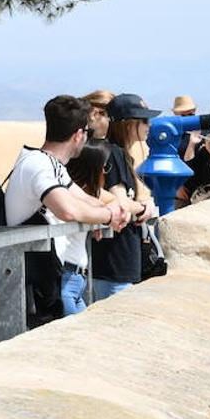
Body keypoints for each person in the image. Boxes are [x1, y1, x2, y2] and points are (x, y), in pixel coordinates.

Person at [4, 95, 128, 326]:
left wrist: (107, 211)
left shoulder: (53, 166)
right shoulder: (38, 166)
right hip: (43, 286)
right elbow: (68, 210)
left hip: (60, 280)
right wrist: (109, 217)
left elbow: (87, 201)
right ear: (78, 135)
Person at [90, 93, 159, 296]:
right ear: (129, 124)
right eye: (144, 120)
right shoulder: (114, 153)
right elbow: (120, 202)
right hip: (114, 263)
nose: (149, 126)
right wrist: (145, 208)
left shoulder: (117, 153)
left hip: (119, 263)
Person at [62, 140, 115, 315]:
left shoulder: (85, 196)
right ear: (93, 169)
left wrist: (95, 218)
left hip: (76, 281)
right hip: (67, 281)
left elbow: (118, 204)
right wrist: (97, 216)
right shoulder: (70, 195)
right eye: (104, 167)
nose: (105, 173)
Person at [171, 94, 210, 206]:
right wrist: (175, 186)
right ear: (175, 114)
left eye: (191, 115)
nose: (188, 119)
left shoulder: (206, 131)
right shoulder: (171, 135)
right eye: (184, 116)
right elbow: (168, 164)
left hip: (206, 192)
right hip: (183, 192)